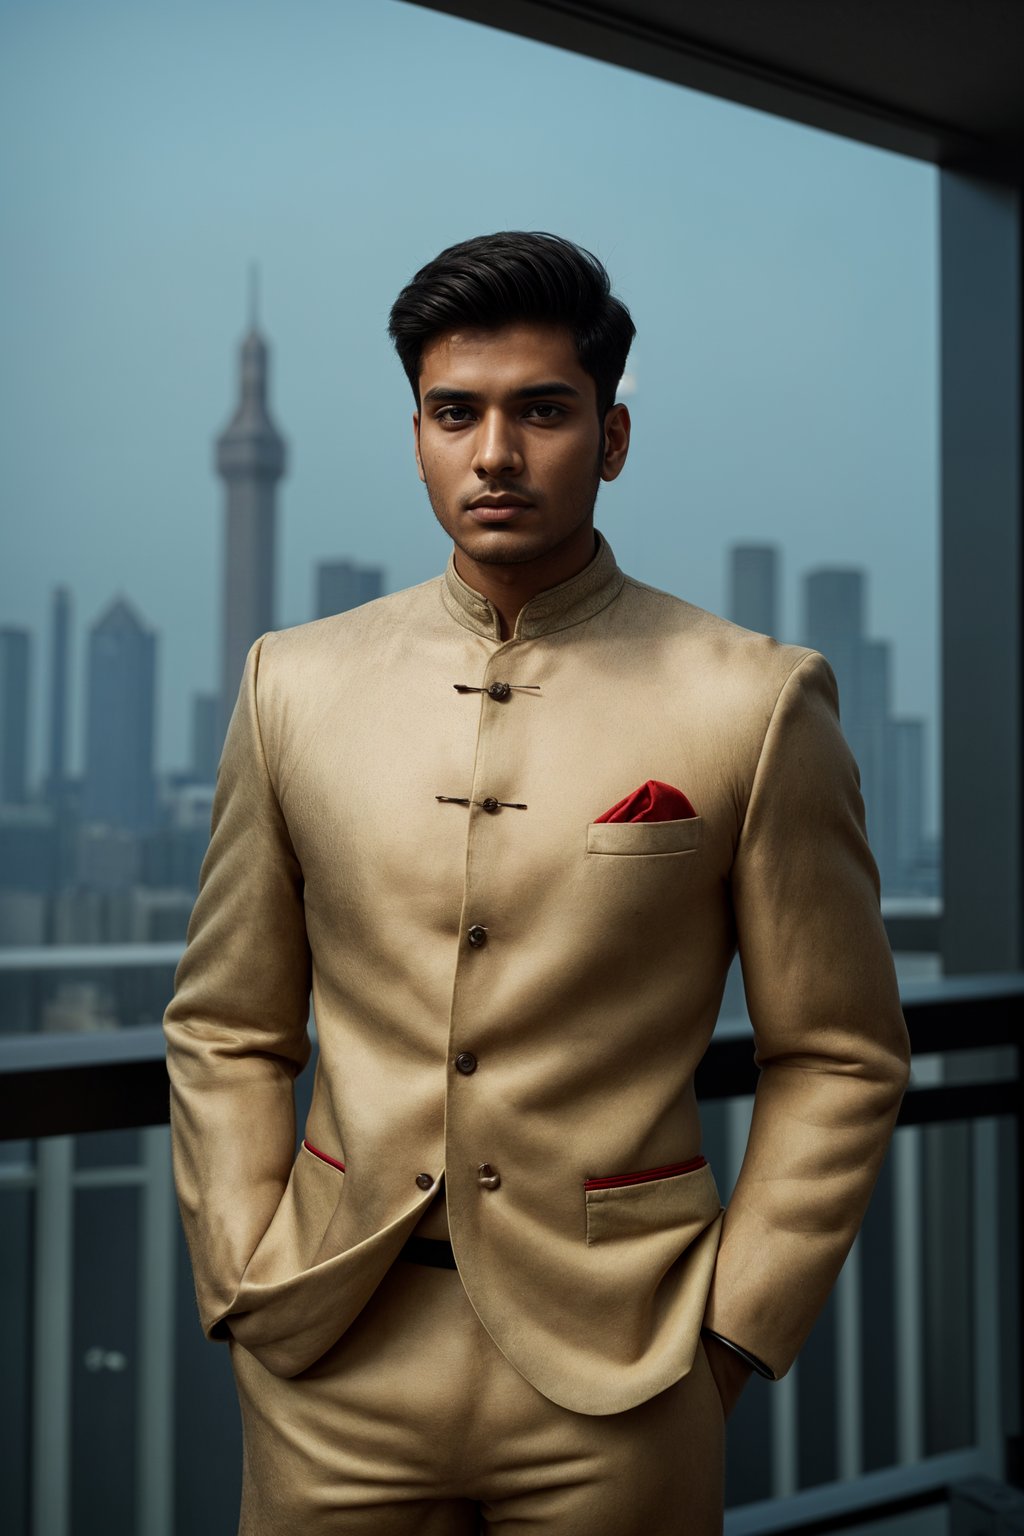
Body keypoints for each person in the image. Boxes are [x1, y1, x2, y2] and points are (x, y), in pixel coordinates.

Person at [163, 231, 910, 1535]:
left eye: (542, 412)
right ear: (416, 436)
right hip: (330, 1346)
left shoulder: (753, 697)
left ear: (613, 438)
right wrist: (239, 1266)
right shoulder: (297, 681)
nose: (495, 454)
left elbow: (840, 1052)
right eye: (457, 413)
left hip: (623, 1370)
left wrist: (729, 1339)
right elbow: (226, 1021)